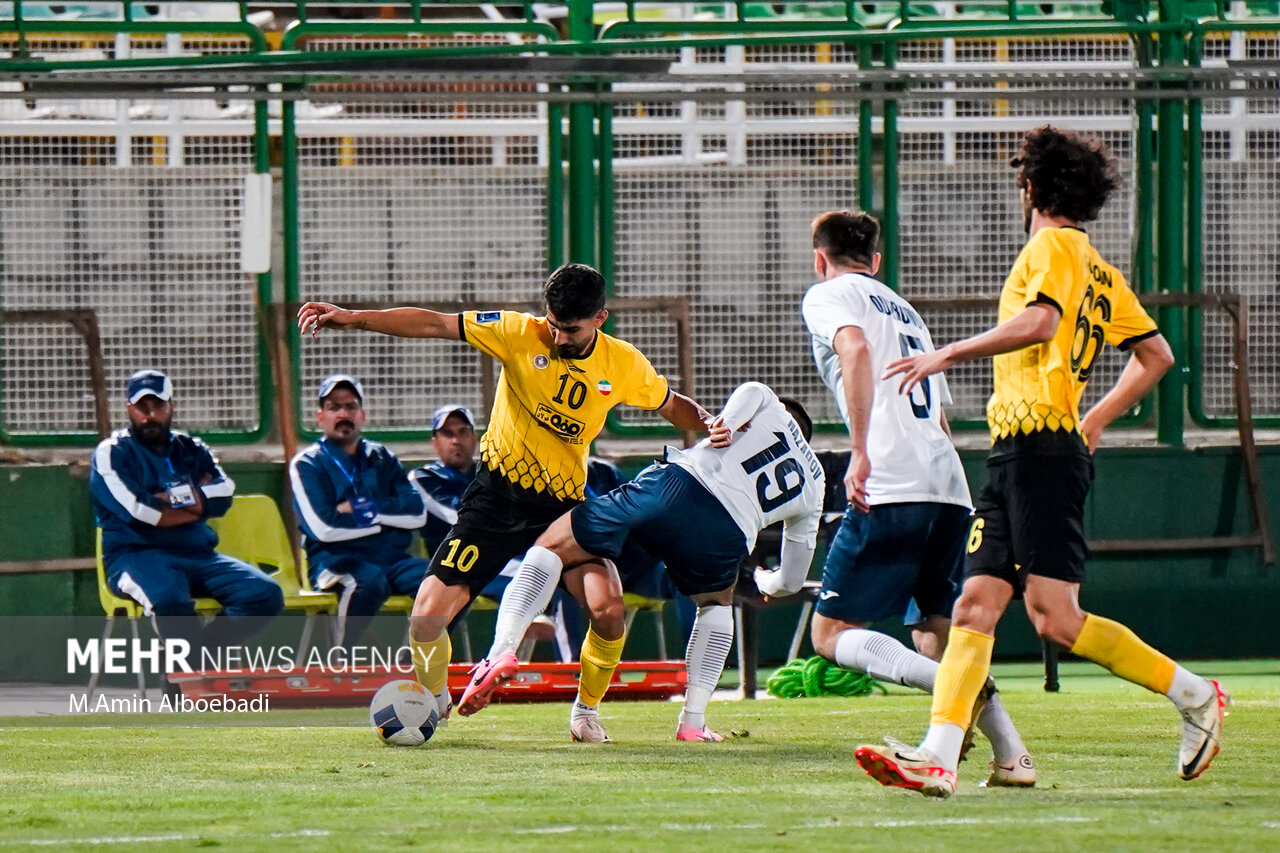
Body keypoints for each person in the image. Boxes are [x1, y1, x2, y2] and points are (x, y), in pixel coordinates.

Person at [858, 125, 1227, 798]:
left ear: (1030, 186)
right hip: (1021, 450)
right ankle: (938, 757)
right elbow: (1158, 356)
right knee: (973, 605)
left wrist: (944, 354)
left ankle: (1195, 694)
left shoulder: (1053, 247)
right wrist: (1097, 416)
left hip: (1041, 455)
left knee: (1056, 616)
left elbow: (1041, 323)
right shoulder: (1098, 266)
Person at [296, 262, 712, 737]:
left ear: (601, 318)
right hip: (494, 499)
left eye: (569, 330)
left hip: (560, 509)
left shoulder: (623, 363)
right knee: (426, 619)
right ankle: (434, 698)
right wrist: (355, 318)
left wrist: (714, 425)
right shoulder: (518, 331)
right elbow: (433, 322)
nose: (556, 338)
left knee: (609, 609)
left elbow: (670, 402)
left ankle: (585, 712)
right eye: (552, 324)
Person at [798, 210, 1033, 787]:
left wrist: (858, 451)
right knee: (933, 627)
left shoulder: (828, 294)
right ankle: (1012, 757)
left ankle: (957, 690)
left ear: (819, 258)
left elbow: (853, 351)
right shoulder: (905, 312)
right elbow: (941, 414)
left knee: (827, 634)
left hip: (890, 481)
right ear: (877, 261)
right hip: (945, 484)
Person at [459, 382, 824, 743]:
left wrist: (727, 421)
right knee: (715, 602)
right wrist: (764, 581)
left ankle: (500, 651)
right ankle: (692, 722)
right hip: (726, 534)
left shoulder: (772, 411)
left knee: (553, 544)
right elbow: (791, 582)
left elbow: (754, 390)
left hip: (677, 487)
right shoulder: (816, 482)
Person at [89, 369, 284, 660]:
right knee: (169, 600)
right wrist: (195, 504)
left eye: (159, 406)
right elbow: (138, 511)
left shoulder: (191, 448)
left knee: (264, 594)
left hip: (198, 554)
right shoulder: (113, 452)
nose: (151, 415)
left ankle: (195, 660)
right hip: (137, 555)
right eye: (143, 407)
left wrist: (167, 502)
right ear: (129, 409)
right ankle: (189, 674)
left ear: (172, 407)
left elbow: (224, 495)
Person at [409, 403, 581, 662]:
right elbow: (464, 518)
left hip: (500, 562)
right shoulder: (423, 478)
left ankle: (572, 671)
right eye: (448, 434)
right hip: (452, 564)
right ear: (435, 442)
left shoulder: (490, 473)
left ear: (475, 438)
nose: (456, 440)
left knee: (556, 571)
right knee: (533, 573)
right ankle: (420, 675)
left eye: (463, 432)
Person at [289, 375, 429, 651]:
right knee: (367, 580)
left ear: (362, 415)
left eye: (350, 407)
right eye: (334, 407)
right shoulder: (307, 464)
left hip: (391, 558)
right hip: (335, 560)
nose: (343, 414)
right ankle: (343, 659)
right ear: (320, 417)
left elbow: (416, 513)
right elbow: (324, 528)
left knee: (442, 579)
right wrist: (386, 517)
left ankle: (421, 660)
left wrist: (365, 510)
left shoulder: (382, 457)